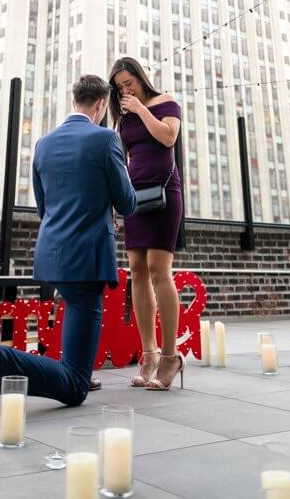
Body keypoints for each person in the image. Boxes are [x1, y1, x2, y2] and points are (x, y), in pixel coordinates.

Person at [0, 73, 137, 414]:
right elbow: (128, 202)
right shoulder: (105, 140)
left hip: (53, 255)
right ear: (101, 104)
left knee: (76, 360)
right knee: (75, 385)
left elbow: (44, 207)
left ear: (75, 101)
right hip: (87, 259)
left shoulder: (43, 143)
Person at [109, 56, 184, 392]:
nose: (125, 89)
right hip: (135, 195)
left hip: (166, 192)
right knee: (136, 268)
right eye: (120, 86)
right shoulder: (121, 118)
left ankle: (171, 356)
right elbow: (122, 159)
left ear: (140, 77)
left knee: (158, 268)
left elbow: (167, 138)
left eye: (129, 82)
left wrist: (141, 109)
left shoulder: (165, 102)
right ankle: (149, 353)